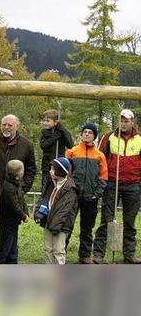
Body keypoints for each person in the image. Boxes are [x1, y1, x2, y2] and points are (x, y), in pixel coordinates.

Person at [93, 109, 141, 264]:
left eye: (126, 121)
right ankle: (98, 254)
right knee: (106, 219)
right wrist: (101, 180)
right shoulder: (109, 137)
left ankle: (129, 254)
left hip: (133, 184)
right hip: (112, 183)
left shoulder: (140, 139)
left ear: (132, 122)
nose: (123, 123)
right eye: (121, 120)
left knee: (129, 221)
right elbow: (99, 159)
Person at [64, 123, 108, 264]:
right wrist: (68, 190)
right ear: (82, 134)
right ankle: (61, 252)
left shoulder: (100, 155)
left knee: (87, 228)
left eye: (90, 132)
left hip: (91, 196)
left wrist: (97, 193)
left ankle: (84, 255)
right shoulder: (72, 151)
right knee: (67, 225)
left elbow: (103, 176)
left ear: (94, 136)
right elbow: (65, 173)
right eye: (85, 132)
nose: (87, 134)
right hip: (73, 195)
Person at [35, 157, 78, 265]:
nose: (50, 171)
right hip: (48, 223)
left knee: (58, 251)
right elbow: (43, 199)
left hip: (61, 225)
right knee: (48, 249)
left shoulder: (70, 188)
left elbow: (64, 210)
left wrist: (54, 225)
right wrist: (38, 213)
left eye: (53, 169)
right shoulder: (50, 184)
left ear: (60, 171)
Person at [0, 160, 29, 264]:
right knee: (5, 245)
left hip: (14, 221)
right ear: (19, 173)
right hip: (7, 220)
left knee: (13, 244)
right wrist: (23, 216)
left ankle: (12, 261)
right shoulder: (8, 187)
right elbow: (14, 206)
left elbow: (21, 199)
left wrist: (26, 211)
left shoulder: (18, 183)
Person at [0, 114, 37, 193]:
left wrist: (23, 188)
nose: (6, 127)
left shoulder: (26, 145)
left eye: (10, 125)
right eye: (4, 125)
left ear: (17, 127)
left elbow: (31, 169)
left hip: (15, 192)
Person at [40, 109, 73, 191]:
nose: (45, 123)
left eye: (48, 121)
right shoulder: (44, 133)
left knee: (58, 189)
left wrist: (61, 128)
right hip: (47, 167)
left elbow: (70, 144)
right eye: (44, 121)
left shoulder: (61, 133)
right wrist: (54, 137)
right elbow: (43, 145)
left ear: (55, 122)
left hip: (59, 166)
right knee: (46, 188)